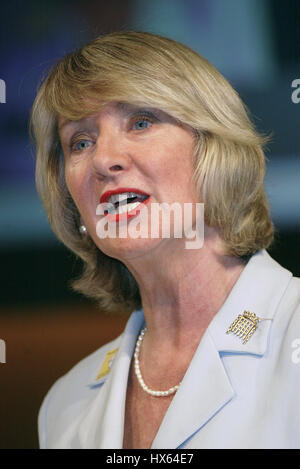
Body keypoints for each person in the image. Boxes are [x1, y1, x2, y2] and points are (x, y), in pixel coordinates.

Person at [31, 30, 300, 449]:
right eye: (80, 142)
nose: (103, 159)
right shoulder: (64, 405)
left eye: (140, 122)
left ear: (213, 148)